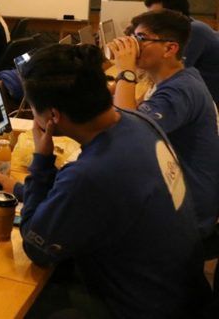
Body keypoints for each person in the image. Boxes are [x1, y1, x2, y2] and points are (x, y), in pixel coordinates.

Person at [16, 44, 210, 318]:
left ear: (53, 117)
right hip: (184, 293)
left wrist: (42, 160)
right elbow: (92, 196)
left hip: (143, 308)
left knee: (23, 298)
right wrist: (20, 189)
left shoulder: (91, 175)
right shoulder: (138, 121)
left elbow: (36, 247)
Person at [110, 9, 219, 239]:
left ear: (170, 49)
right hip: (183, 199)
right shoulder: (180, 77)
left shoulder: (179, 92)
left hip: (187, 216)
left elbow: (125, 135)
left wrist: (126, 71)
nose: (134, 46)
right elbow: (132, 114)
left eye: (141, 39)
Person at [144, 0, 219, 104]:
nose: (152, 23)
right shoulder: (183, 28)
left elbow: (171, 73)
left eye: (157, 17)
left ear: (176, 14)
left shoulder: (194, 30)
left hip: (208, 101)